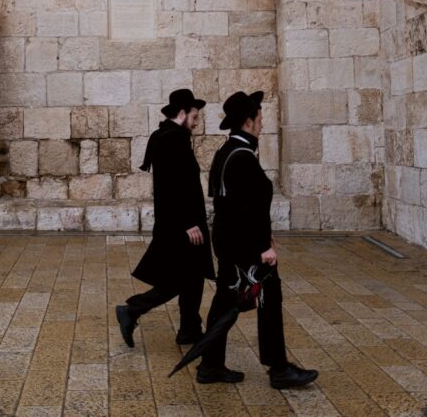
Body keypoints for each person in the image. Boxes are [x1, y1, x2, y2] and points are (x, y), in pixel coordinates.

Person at [196, 90, 318, 389]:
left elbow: (232, 204)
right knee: (269, 297)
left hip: (229, 241)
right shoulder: (241, 158)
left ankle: (210, 365)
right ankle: (279, 370)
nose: (263, 124)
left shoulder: (228, 152)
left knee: (225, 300)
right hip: (245, 246)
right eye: (260, 119)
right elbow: (247, 209)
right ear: (248, 122)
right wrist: (264, 246)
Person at [116, 89, 215, 348]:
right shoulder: (173, 139)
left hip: (178, 222)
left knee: (192, 277)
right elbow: (173, 186)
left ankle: (190, 329)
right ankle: (132, 310)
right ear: (182, 114)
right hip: (182, 225)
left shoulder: (167, 136)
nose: (196, 122)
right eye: (194, 116)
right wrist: (189, 223)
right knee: (179, 280)